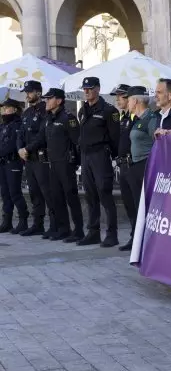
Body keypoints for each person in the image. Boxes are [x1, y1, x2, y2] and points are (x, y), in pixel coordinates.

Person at [77, 77, 120, 248]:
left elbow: (115, 137)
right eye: (84, 89)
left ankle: (112, 233)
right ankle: (93, 232)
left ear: (98, 89)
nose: (86, 91)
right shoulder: (83, 110)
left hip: (101, 154)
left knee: (105, 193)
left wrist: (115, 159)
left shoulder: (109, 111)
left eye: (89, 88)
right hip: (86, 156)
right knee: (90, 194)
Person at [43, 88, 83, 243]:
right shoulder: (49, 119)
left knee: (71, 196)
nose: (46, 101)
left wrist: (76, 163)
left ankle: (78, 230)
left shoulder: (68, 118)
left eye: (49, 99)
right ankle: (63, 229)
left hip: (66, 164)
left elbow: (77, 142)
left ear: (58, 101)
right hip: (53, 162)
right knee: (56, 197)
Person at [17, 80, 53, 238]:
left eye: (30, 92)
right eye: (26, 92)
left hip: (41, 157)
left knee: (47, 192)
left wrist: (27, 148)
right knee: (34, 193)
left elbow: (42, 135)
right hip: (29, 158)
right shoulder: (26, 113)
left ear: (38, 92)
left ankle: (54, 224)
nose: (27, 95)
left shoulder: (46, 110)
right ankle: (37, 224)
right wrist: (20, 149)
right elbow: (20, 134)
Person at [125, 86, 159, 227]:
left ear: (136, 101)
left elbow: (156, 142)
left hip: (145, 164)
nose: (127, 103)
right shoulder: (138, 119)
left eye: (129, 100)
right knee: (136, 204)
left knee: (145, 203)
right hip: (135, 164)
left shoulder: (150, 118)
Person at [110, 84, 138, 251]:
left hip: (133, 164)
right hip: (123, 164)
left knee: (135, 203)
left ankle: (137, 237)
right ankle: (133, 236)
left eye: (121, 96)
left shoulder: (136, 117)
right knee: (128, 203)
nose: (117, 99)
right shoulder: (124, 117)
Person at [0, 98, 28, 234]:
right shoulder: (4, 125)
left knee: (15, 193)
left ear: (15, 109)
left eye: (7, 108)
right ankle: (7, 221)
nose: (4, 111)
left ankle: (23, 221)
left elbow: (11, 145)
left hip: (13, 162)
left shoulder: (18, 124)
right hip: (3, 163)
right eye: (3, 108)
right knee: (5, 194)